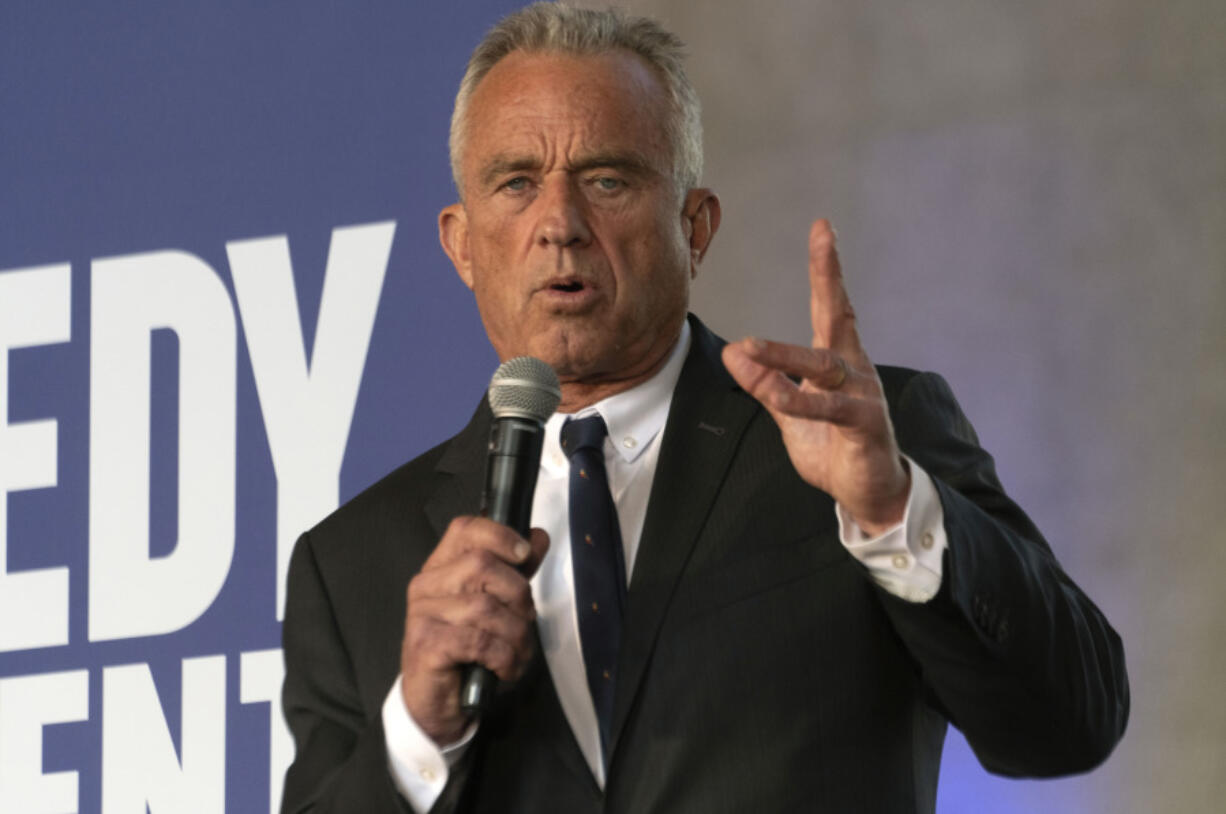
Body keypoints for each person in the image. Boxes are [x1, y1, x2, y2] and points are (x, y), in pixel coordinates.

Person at [278, 5, 1128, 813]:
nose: (560, 224)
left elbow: (1072, 722)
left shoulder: (856, 441)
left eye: (607, 179)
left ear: (696, 227)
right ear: (462, 244)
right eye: (516, 183)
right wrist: (418, 737)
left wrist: (893, 513)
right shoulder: (353, 564)